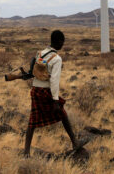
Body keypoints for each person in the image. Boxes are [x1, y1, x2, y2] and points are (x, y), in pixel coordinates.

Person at [23, 29, 79, 157]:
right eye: (62, 42)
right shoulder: (57, 59)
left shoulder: (40, 53)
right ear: (59, 42)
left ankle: (26, 152)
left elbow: (33, 71)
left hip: (35, 90)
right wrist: (55, 101)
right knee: (62, 114)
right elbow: (54, 80)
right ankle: (75, 142)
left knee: (32, 121)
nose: (63, 44)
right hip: (46, 91)